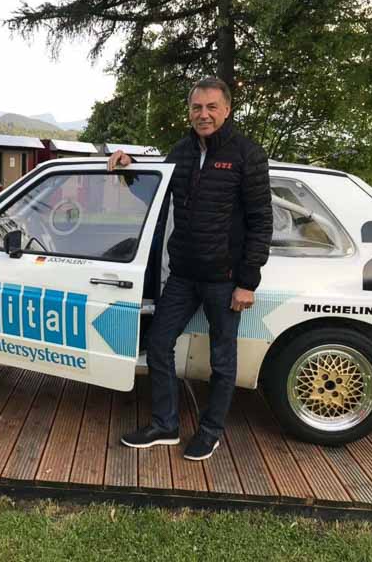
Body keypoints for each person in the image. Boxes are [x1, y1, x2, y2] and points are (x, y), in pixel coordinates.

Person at [111, 76, 273, 461]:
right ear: (189, 111)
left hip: (225, 279)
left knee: (222, 361)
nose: (204, 114)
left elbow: (261, 221)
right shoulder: (181, 152)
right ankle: (165, 425)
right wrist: (130, 169)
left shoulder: (247, 154)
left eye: (211, 107)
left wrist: (247, 282)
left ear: (227, 110)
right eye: (197, 107)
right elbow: (156, 194)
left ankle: (210, 432)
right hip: (183, 275)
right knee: (158, 344)